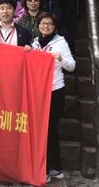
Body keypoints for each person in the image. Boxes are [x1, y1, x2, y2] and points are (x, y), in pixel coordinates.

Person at [32, 12, 75, 181]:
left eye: (49, 24)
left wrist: (61, 58)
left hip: (55, 91)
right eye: (43, 23)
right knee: (39, 131)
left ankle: (51, 168)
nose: (46, 26)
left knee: (49, 129)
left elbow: (71, 66)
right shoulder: (35, 43)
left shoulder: (60, 42)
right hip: (37, 92)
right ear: (38, 25)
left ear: (54, 26)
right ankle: (46, 167)